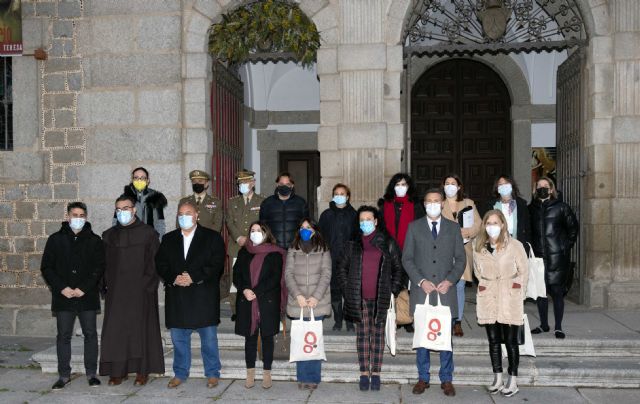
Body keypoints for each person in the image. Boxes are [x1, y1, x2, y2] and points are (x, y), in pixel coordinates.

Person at [155, 200, 226, 389]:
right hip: (177, 296)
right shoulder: (169, 239)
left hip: (203, 296)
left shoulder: (212, 237)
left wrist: (194, 277)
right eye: (180, 214)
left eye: (188, 213)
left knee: (209, 340)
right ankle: (180, 373)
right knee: (178, 339)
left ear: (197, 215)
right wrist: (174, 278)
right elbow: (160, 263)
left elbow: (216, 263)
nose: (184, 217)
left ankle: (212, 373)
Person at [402, 188, 465, 397]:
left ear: (442, 203)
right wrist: (420, 281)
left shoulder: (453, 228)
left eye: (436, 201)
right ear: (424, 204)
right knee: (422, 337)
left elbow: (461, 259)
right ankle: (423, 378)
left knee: (445, 338)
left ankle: (446, 379)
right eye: (428, 201)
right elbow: (407, 259)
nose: (432, 204)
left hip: (445, 291)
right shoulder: (414, 227)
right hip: (423, 292)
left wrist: (450, 280)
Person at [100, 195, 164, 386]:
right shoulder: (108, 235)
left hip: (141, 291)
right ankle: (117, 371)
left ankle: (142, 371)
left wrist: (146, 285)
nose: (122, 212)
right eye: (118, 209)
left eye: (126, 208)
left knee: (141, 332)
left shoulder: (148, 233)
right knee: (116, 332)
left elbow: (155, 263)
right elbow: (103, 264)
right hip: (116, 292)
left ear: (134, 210)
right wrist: (104, 285)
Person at [337, 206, 403, 392]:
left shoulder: (387, 242)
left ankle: (376, 374)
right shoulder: (353, 243)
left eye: (368, 219)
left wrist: (393, 290)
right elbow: (341, 268)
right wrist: (348, 289)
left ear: (375, 221)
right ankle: (364, 373)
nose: (365, 222)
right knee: (363, 335)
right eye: (362, 220)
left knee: (378, 335)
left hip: (381, 296)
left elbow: (398, 268)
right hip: (359, 297)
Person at [40, 202, 105, 390]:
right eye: (75, 215)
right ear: (68, 216)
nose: (78, 218)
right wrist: (62, 288)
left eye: (81, 215)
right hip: (64, 296)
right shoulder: (55, 239)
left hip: (87, 295)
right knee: (63, 336)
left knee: (90, 334)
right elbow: (47, 267)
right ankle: (64, 375)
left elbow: (99, 267)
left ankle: (91, 374)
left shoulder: (95, 240)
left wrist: (84, 288)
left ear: (86, 217)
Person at [474, 210, 529, 397]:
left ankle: (513, 380)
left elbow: (524, 271)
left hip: (509, 297)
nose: (492, 227)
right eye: (488, 223)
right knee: (493, 340)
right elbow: (478, 272)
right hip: (489, 298)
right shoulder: (479, 247)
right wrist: (486, 284)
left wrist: (517, 290)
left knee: (511, 341)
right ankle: (497, 378)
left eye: (495, 223)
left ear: (503, 224)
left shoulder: (515, 245)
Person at [234, 222, 285, 389]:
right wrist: (244, 289)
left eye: (258, 230)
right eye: (252, 230)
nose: (254, 233)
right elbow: (237, 275)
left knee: (267, 338)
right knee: (249, 338)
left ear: (266, 233)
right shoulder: (244, 252)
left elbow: (274, 278)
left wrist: (255, 291)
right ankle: (250, 374)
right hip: (247, 300)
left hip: (266, 301)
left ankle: (267, 373)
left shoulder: (275, 253)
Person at [528, 176, 579, 339]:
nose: (542, 188)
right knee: (541, 293)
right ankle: (544, 324)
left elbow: (573, 228)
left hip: (557, 258)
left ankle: (558, 327)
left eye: (545, 185)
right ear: (535, 189)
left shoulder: (561, 207)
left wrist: (565, 246)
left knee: (557, 292)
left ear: (551, 189)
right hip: (538, 258)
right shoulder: (531, 209)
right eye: (539, 186)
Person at [285, 218, 332, 390]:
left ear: (315, 230)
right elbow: (288, 274)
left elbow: (326, 274)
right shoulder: (293, 248)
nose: (305, 230)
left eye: (308, 227)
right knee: (300, 339)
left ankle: (313, 377)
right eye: (302, 227)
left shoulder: (323, 249)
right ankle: (302, 377)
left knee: (313, 340)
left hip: (316, 302)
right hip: (298, 301)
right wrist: (297, 295)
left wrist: (316, 297)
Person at [378, 173, 425, 333]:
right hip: (390, 251)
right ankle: (395, 316)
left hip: (410, 251)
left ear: (409, 187)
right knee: (393, 284)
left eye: (404, 184)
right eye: (397, 184)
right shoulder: (385, 205)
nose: (400, 187)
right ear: (393, 187)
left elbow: (421, 228)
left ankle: (408, 318)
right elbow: (380, 228)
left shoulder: (416, 205)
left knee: (410, 286)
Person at [441, 174, 481, 337]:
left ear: (458, 187)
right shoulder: (439, 203)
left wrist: (468, 231)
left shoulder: (468, 203)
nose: (450, 186)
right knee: (446, 285)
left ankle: (457, 321)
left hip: (463, 250)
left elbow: (478, 224)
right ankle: (446, 319)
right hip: (444, 251)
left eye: (453, 183)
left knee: (459, 286)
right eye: (447, 183)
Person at [226, 170, 266, 322]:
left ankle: (255, 306)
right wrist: (238, 237)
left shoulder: (261, 201)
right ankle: (236, 310)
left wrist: (253, 239)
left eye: (246, 182)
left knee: (255, 276)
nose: (243, 185)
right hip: (236, 246)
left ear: (253, 183)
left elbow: (264, 223)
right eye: (240, 182)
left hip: (256, 246)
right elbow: (229, 221)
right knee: (235, 279)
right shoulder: (232, 202)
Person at [318, 183, 358, 332]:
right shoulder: (326, 215)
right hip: (331, 258)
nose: (339, 196)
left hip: (350, 260)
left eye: (342, 194)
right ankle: (338, 319)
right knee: (335, 291)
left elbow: (358, 237)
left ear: (347, 197)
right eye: (337, 194)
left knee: (349, 291)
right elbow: (320, 237)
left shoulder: (354, 215)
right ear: (333, 196)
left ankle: (349, 321)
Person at [260, 172, 309, 249]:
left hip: (295, 248)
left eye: (288, 184)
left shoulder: (301, 203)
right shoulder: (267, 203)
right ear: (277, 185)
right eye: (281, 184)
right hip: (273, 248)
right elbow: (263, 226)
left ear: (292, 185)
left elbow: (306, 226)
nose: (284, 186)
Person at [115, 167, 168, 238]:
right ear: (132, 180)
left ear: (148, 180)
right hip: (128, 239)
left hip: (149, 240)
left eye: (142, 178)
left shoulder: (155, 197)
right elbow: (116, 220)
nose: (139, 180)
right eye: (136, 178)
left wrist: (158, 240)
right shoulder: (125, 197)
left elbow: (160, 223)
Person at [483, 174, 532, 249]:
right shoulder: (491, 205)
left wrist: (527, 246)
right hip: (497, 245)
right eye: (500, 184)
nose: (504, 186)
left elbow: (527, 228)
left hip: (518, 245)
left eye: (506, 183)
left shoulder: (521, 204)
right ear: (497, 188)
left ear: (511, 185)